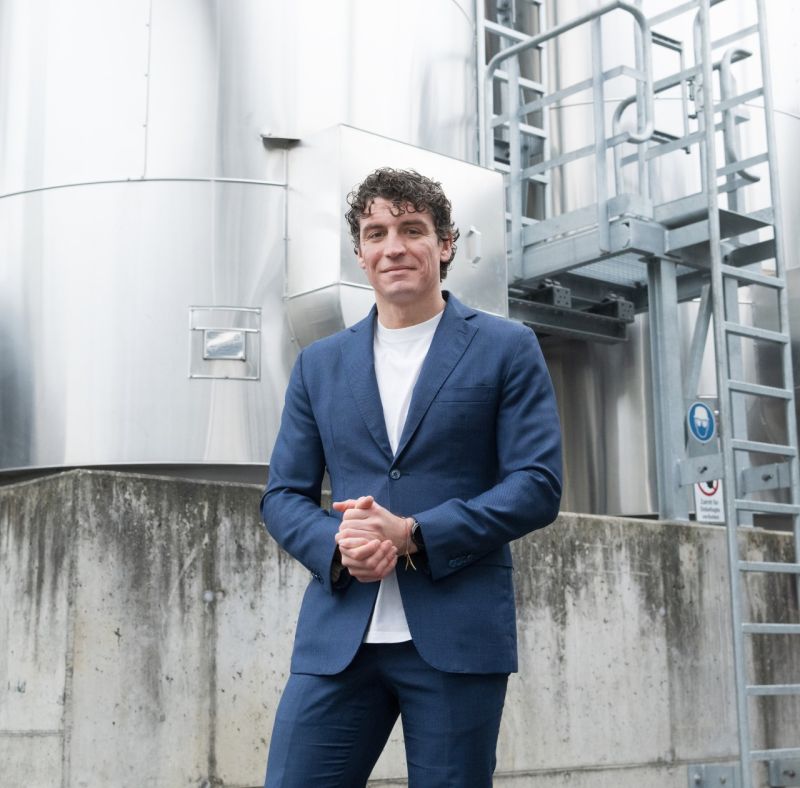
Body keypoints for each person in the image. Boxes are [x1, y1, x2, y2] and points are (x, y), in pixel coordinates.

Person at [261, 167, 562, 787]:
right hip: (338, 637)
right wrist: (338, 546)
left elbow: (537, 484)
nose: (393, 247)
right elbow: (283, 495)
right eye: (376, 233)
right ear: (360, 253)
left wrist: (414, 534)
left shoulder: (507, 347)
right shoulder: (319, 363)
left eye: (412, 229)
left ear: (445, 244)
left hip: (457, 633)